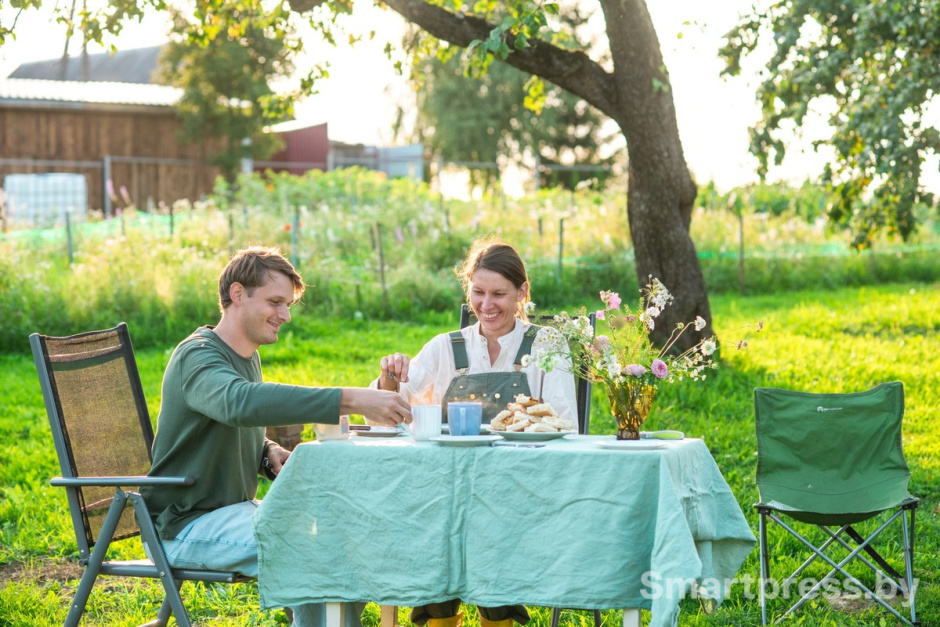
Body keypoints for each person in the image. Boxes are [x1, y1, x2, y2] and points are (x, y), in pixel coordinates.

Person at [140, 246, 412, 627]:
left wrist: (266, 451)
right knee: (313, 552)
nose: (284, 315)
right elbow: (239, 404)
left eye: (287, 305)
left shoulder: (245, 355)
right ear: (238, 294)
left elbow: (230, 417)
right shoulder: (198, 357)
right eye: (275, 302)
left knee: (345, 537)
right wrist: (350, 399)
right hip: (185, 526)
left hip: (230, 511)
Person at [374, 237, 577, 627]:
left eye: (499, 294)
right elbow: (390, 410)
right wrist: (390, 374)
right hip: (446, 486)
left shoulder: (547, 345)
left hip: (520, 486)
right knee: (436, 525)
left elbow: (563, 424)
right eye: (478, 292)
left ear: (522, 292)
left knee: (481, 528)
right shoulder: (445, 348)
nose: (486, 305)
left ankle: (496, 618)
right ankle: (440, 616)